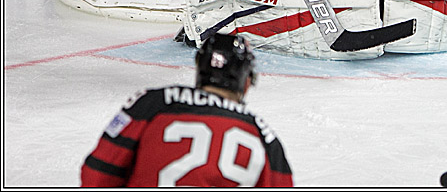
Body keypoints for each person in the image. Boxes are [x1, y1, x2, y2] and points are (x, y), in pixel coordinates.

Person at [82, 33, 293, 187]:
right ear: (246, 83)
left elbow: (97, 174)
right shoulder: (264, 135)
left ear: (199, 69)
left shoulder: (152, 104)